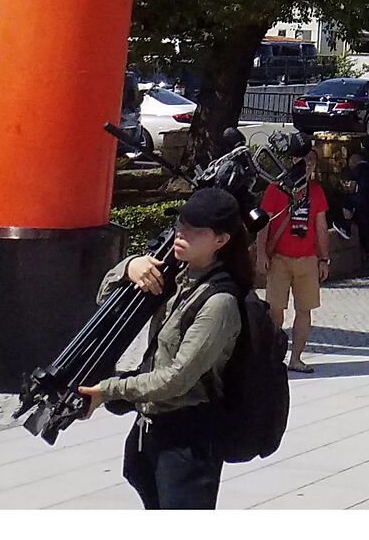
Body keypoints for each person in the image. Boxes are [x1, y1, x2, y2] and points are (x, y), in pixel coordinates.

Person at [78, 186, 254, 508]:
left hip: (188, 443)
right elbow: (106, 303)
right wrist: (129, 267)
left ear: (221, 240)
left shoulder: (219, 302)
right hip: (152, 433)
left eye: (195, 229)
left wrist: (109, 390)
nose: (181, 233)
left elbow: (176, 379)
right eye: (181, 224)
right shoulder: (177, 278)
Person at [257, 137, 329, 375]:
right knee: (275, 309)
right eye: (304, 160)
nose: (307, 165)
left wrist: (323, 259)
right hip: (279, 257)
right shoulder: (275, 189)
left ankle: (296, 357)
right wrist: (261, 254)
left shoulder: (316, 192)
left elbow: (321, 228)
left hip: (307, 258)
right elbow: (263, 224)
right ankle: (274, 355)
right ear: (294, 161)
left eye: (311, 162)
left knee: (305, 309)